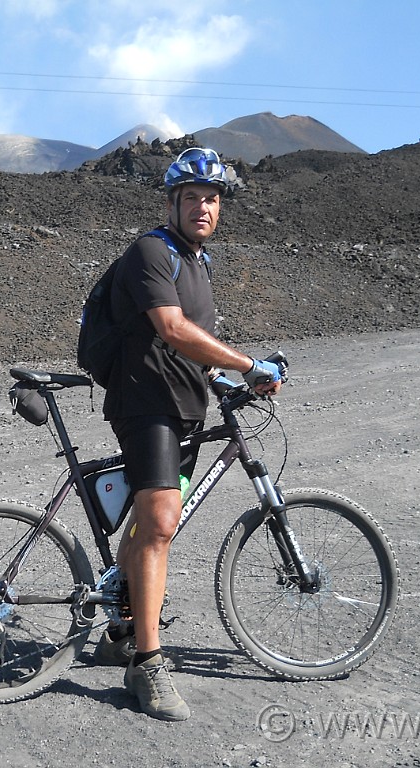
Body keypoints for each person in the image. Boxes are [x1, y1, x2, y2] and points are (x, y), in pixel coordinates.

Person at [95, 147, 283, 721]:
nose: (204, 207)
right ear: (172, 202)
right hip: (145, 404)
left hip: (183, 406)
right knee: (158, 525)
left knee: (150, 522)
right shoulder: (154, 251)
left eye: (213, 198)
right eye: (193, 197)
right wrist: (250, 365)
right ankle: (147, 667)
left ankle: (122, 627)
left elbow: (191, 348)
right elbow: (172, 329)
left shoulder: (197, 263)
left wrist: (223, 379)